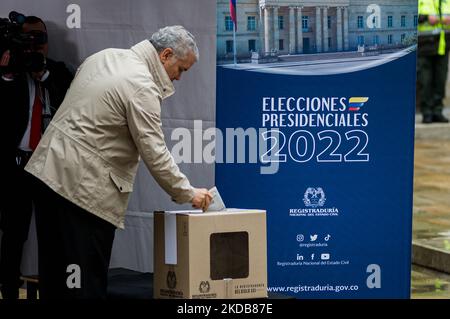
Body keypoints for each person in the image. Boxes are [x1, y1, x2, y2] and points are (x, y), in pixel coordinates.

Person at [24, 25, 213, 299]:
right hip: (80, 194)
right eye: (181, 69)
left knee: (56, 278)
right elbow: (155, 152)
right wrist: (188, 193)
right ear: (166, 55)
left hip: (48, 176)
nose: (179, 78)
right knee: (82, 285)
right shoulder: (141, 85)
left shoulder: (103, 57)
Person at [0, 15, 73, 299]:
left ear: (47, 41)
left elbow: (72, 101)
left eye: (39, 39)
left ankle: (53, 291)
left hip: (51, 166)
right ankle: (6, 290)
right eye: (27, 40)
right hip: (16, 164)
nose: (34, 46)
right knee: (14, 233)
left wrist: (44, 75)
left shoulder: (58, 71)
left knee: (52, 233)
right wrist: (6, 75)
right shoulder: (9, 73)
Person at [417, 0, 450, 123]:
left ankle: (437, 111)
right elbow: (409, 16)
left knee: (440, 81)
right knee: (425, 81)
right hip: (424, 46)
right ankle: (427, 113)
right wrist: (426, 18)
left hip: (443, 46)